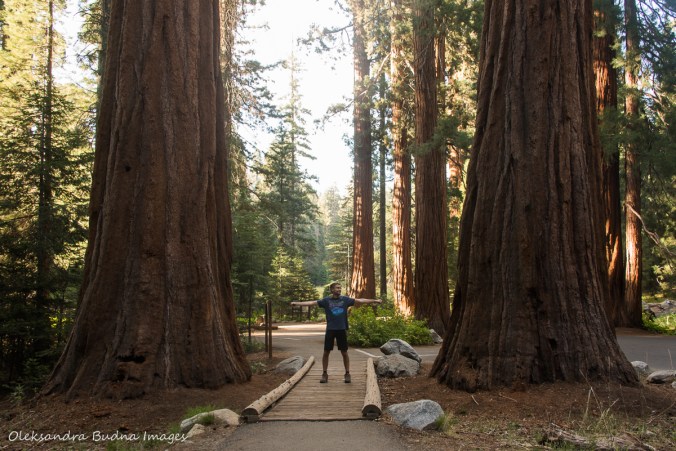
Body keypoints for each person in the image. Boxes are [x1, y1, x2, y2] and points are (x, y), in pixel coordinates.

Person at [291, 282, 382, 383]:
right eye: (337, 288)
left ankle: (347, 373)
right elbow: (312, 303)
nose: (339, 289)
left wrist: (375, 301)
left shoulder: (345, 300)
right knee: (326, 352)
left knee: (344, 352)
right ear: (332, 290)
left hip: (341, 329)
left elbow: (360, 300)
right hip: (330, 330)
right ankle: (324, 373)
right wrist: (297, 303)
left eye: (340, 288)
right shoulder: (326, 301)